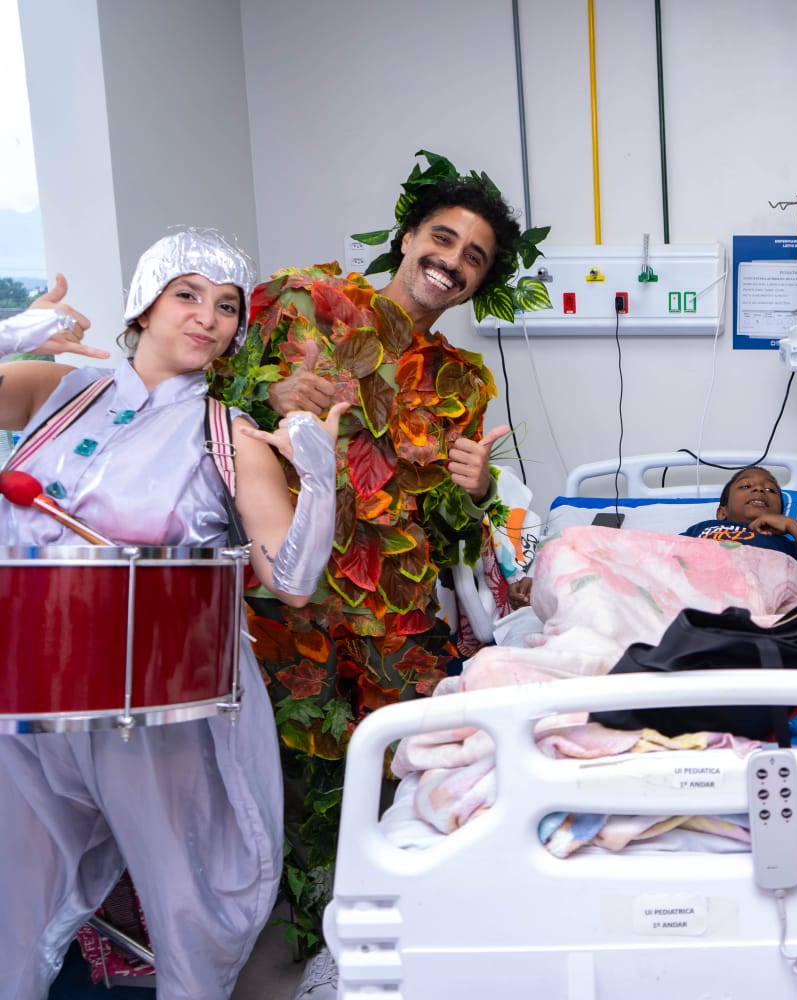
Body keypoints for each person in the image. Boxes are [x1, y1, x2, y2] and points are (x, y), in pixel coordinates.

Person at [0, 230, 342, 1000]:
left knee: (186, 902)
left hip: (158, 701)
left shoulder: (231, 438)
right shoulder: (53, 392)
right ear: (144, 305)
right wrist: (9, 335)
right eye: (187, 294)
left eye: (227, 306)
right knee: (13, 899)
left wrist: (319, 483)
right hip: (29, 688)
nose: (208, 317)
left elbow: (292, 582)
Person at [209, 173, 523, 974]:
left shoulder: (463, 384)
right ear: (408, 237)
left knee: (424, 769)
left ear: (480, 281)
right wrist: (268, 390)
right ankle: (324, 960)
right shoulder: (299, 302)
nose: (453, 261)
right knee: (302, 787)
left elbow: (452, 530)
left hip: (396, 616)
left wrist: (472, 494)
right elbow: (203, 410)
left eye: (475, 257)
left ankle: (417, 940)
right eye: (444, 238)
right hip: (287, 600)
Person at [681, 465, 797, 603]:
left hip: (753, 602)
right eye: (745, 486)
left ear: (779, 514)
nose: (759, 489)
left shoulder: (788, 545)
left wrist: (794, 526)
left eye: (770, 490)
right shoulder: (702, 528)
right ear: (722, 513)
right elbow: (667, 558)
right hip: (694, 592)